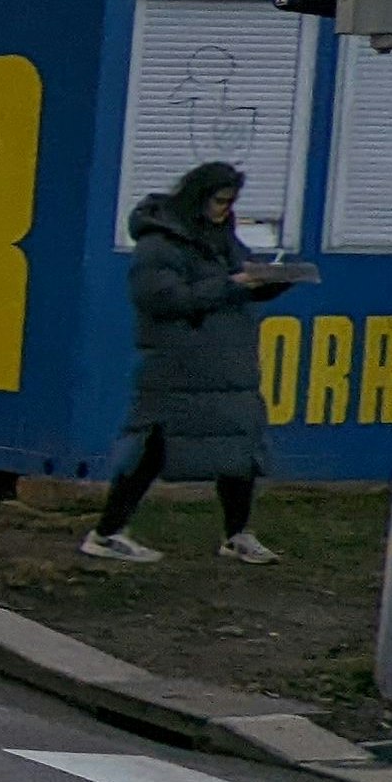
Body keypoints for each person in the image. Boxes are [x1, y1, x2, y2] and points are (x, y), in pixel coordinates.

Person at [84, 161, 289, 565]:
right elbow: (161, 298)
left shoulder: (222, 236)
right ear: (198, 197)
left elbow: (235, 282)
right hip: (178, 365)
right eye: (219, 201)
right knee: (153, 447)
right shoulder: (159, 242)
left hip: (227, 365)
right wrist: (230, 286)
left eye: (231, 202)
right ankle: (106, 533)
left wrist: (267, 283)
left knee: (239, 445)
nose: (225, 210)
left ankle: (238, 534)